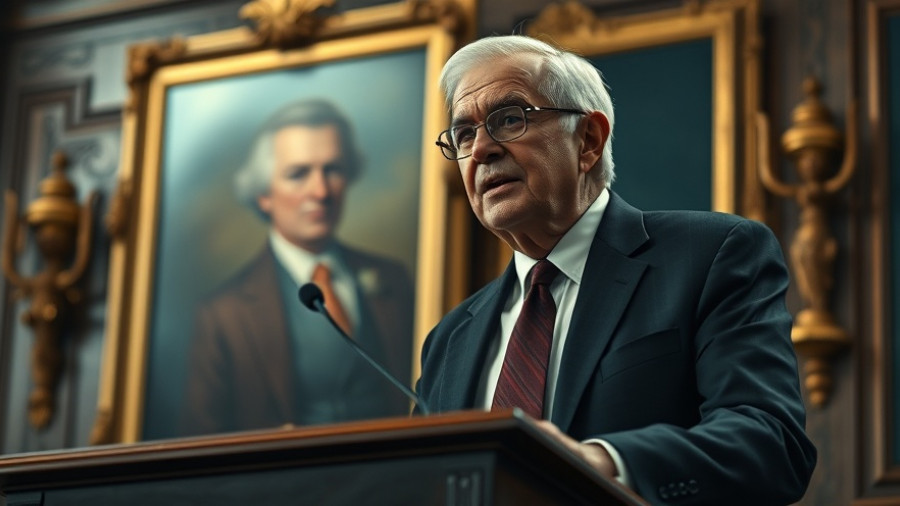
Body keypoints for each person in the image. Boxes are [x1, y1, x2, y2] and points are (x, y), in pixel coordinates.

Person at [415, 35, 817, 504]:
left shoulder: (712, 256)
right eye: (464, 134)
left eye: (509, 119)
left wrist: (605, 463)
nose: (482, 148)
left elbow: (770, 443)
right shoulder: (449, 339)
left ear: (588, 140)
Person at [182, 98, 414, 436]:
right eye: (298, 174)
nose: (320, 191)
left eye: (333, 170)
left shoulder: (393, 278)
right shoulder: (223, 315)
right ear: (263, 194)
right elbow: (202, 440)